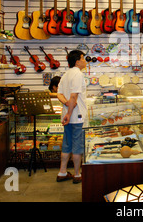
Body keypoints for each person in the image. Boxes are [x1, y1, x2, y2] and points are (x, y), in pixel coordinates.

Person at [56, 50, 87, 184]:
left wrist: (66, 104)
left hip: (67, 116)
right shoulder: (78, 74)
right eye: (83, 58)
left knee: (67, 145)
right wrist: (69, 112)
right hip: (75, 117)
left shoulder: (65, 74)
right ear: (77, 61)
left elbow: (59, 94)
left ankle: (62, 172)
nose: (85, 61)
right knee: (77, 147)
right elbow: (74, 96)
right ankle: (77, 174)